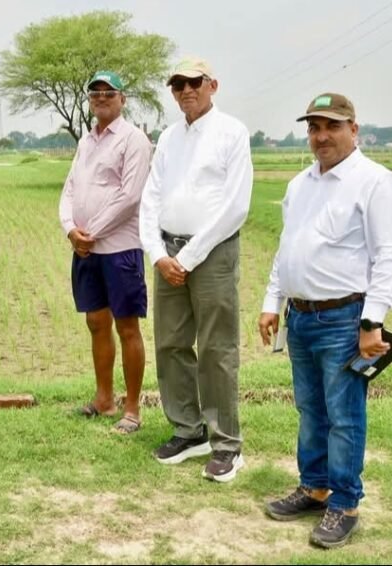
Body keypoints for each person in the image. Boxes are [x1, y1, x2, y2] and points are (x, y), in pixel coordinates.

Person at [259, 93, 392, 548]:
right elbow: (287, 248)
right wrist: (272, 300)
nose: (321, 136)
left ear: (353, 129)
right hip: (301, 317)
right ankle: (315, 486)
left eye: (332, 126)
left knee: (344, 415)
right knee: (310, 409)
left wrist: (372, 321)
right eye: (314, 128)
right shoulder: (300, 184)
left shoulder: (374, 182)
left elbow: (389, 255)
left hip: (346, 318)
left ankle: (344, 502)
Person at [138, 56, 253, 482]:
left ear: (212, 85)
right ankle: (188, 431)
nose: (186, 90)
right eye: (178, 84)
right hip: (167, 251)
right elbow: (151, 197)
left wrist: (187, 259)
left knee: (216, 348)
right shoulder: (169, 137)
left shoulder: (232, 132)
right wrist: (157, 253)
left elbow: (235, 206)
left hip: (212, 253)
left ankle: (226, 444)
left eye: (194, 82)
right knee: (170, 344)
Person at [59, 70, 151, 434]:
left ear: (122, 98)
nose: (101, 98)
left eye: (108, 92)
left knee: (127, 326)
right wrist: (71, 229)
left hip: (119, 248)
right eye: (95, 93)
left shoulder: (134, 139)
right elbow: (70, 188)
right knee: (96, 322)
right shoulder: (86, 141)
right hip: (86, 250)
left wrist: (91, 233)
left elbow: (130, 196)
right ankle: (104, 399)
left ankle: (132, 408)